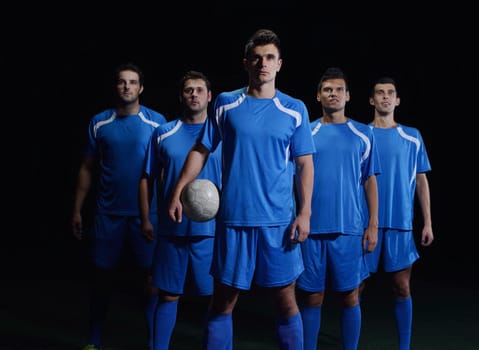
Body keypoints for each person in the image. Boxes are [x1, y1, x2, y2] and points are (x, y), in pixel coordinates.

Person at [167, 28, 315, 350]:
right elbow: (201, 149)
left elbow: (305, 164)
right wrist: (179, 189)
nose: (263, 63)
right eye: (257, 57)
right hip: (233, 220)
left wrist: (304, 212)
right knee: (222, 302)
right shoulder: (225, 104)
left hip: (278, 222)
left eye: (270, 57)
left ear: (279, 64)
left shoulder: (295, 109)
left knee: (285, 300)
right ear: (246, 63)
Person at [71, 62, 167, 350]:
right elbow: (87, 168)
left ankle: (154, 343)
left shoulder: (156, 122)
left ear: (141, 88)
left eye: (132, 82)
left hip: (146, 216)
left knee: (153, 279)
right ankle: (93, 341)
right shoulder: (99, 122)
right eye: (122, 82)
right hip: (107, 214)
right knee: (102, 278)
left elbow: (165, 168)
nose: (127, 86)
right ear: (116, 87)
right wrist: (77, 208)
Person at [296, 67, 380, 350]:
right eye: (327, 89)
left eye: (339, 90)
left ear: (348, 96)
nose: (333, 94)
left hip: (349, 228)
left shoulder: (363, 133)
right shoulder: (306, 131)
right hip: (312, 228)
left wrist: (373, 224)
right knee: (312, 297)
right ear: (318, 95)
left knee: (349, 296)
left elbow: (369, 180)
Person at [138, 70, 221, 350]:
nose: (194, 94)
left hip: (211, 233)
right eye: (189, 90)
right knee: (168, 295)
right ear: (181, 96)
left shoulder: (223, 136)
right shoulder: (163, 133)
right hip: (172, 230)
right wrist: (147, 218)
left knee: (216, 299)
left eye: (200, 89)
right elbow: (147, 177)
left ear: (209, 96)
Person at [359, 76, 434, 350]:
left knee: (401, 287)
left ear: (398, 100)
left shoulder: (412, 137)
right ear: (371, 99)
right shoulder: (361, 134)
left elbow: (421, 181)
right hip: (366, 225)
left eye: (391, 93)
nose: (385, 97)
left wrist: (427, 222)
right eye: (380, 93)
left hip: (401, 225)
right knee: (355, 289)